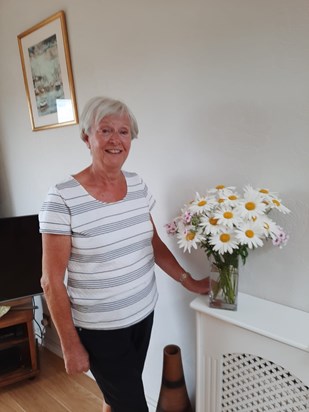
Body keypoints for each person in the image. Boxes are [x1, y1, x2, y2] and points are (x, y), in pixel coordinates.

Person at [39, 96, 210, 412]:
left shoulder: (137, 186)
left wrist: (189, 281)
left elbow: (153, 243)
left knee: (114, 399)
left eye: (124, 131)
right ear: (87, 137)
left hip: (143, 313)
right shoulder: (62, 197)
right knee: (132, 405)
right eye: (105, 130)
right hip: (101, 329)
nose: (116, 140)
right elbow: (51, 281)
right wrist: (69, 344)